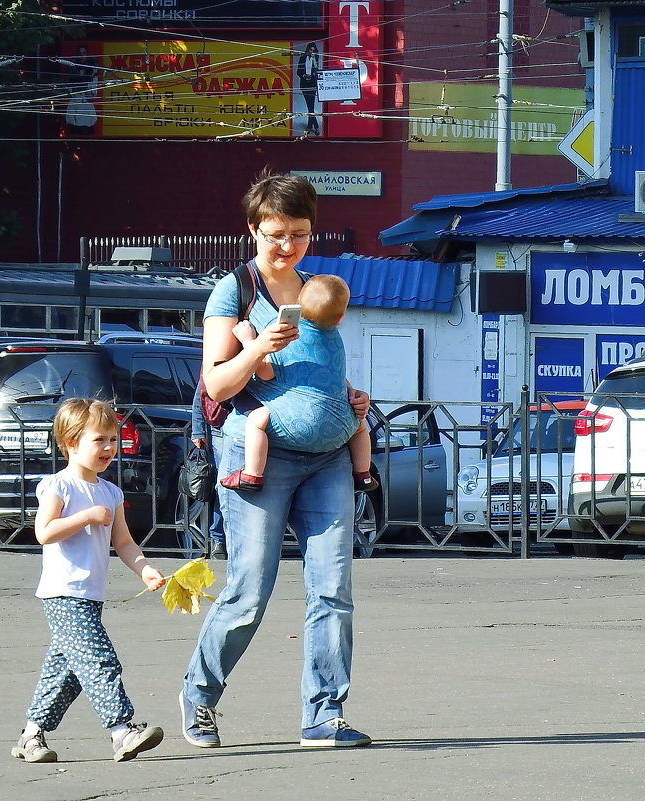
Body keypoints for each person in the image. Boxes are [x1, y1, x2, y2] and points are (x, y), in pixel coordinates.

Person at [180, 170, 372, 749]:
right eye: (276, 233)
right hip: (257, 455)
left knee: (332, 588)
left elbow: (318, 370)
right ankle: (200, 695)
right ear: (253, 230)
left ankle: (323, 713)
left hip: (327, 456)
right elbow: (215, 384)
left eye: (299, 233)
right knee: (249, 589)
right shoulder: (233, 291)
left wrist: (349, 397)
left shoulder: (318, 289)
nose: (287, 245)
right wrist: (258, 347)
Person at [12, 397, 167, 764]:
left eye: (113, 440)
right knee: (99, 661)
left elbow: (124, 542)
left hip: (90, 594)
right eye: (99, 440)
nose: (109, 448)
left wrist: (144, 568)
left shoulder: (110, 492)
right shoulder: (59, 486)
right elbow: (44, 532)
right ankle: (121, 730)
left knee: (66, 672)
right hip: (63, 593)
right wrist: (85, 518)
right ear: (70, 443)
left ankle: (31, 736)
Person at [219, 273, 377, 494]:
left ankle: (252, 475)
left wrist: (248, 340)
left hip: (296, 424)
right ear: (340, 318)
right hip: (340, 427)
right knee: (360, 427)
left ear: (297, 305)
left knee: (257, 420)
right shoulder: (334, 339)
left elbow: (264, 372)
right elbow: (335, 375)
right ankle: (363, 474)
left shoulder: (289, 334)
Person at [190, 390, 227, 560]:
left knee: (239, 486)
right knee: (224, 485)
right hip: (221, 427)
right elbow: (202, 393)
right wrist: (198, 430)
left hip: (251, 426)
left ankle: (225, 539)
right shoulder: (217, 362)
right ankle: (218, 539)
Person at [297, 43, 321, 136]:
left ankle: (313, 127)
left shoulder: (316, 58)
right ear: (308, 50)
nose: (312, 52)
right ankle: (312, 126)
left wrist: (312, 75)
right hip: (304, 83)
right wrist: (304, 75)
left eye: (313, 50)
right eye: (310, 50)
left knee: (311, 105)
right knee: (309, 106)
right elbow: (298, 71)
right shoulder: (302, 58)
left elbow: (316, 70)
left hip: (312, 84)